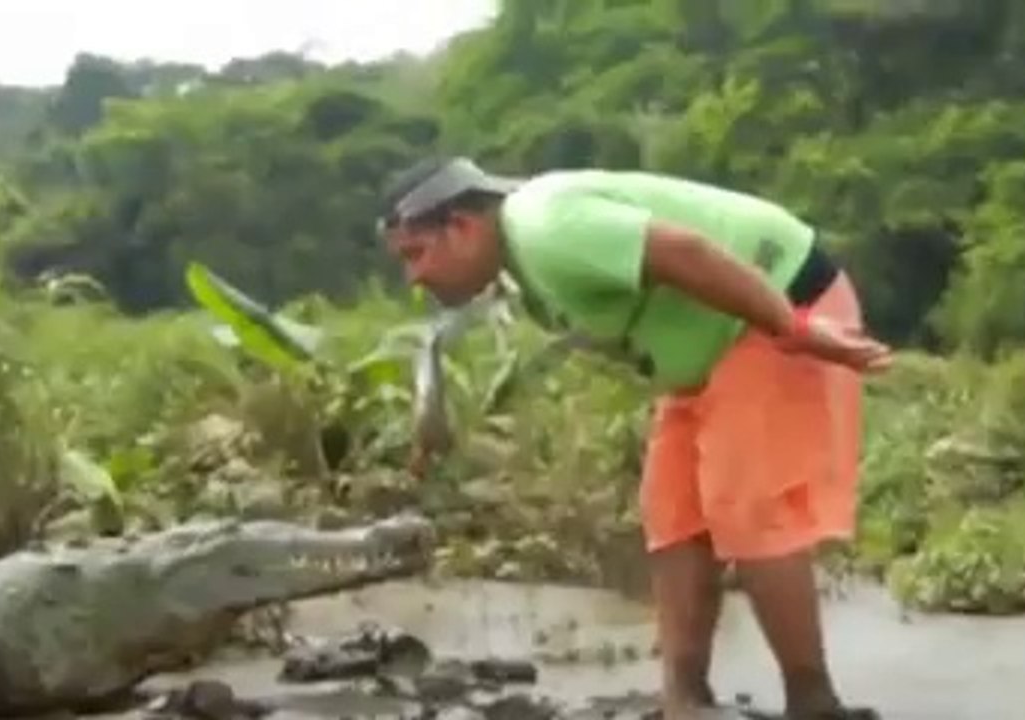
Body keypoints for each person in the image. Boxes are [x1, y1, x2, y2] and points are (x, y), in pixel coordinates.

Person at [378, 156, 891, 720]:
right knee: (672, 514)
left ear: (463, 227)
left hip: (778, 306)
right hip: (709, 349)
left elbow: (684, 252)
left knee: (749, 507)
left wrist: (792, 327)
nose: (414, 278)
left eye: (415, 255)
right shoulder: (521, 264)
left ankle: (814, 703)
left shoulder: (547, 227)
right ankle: (685, 701)